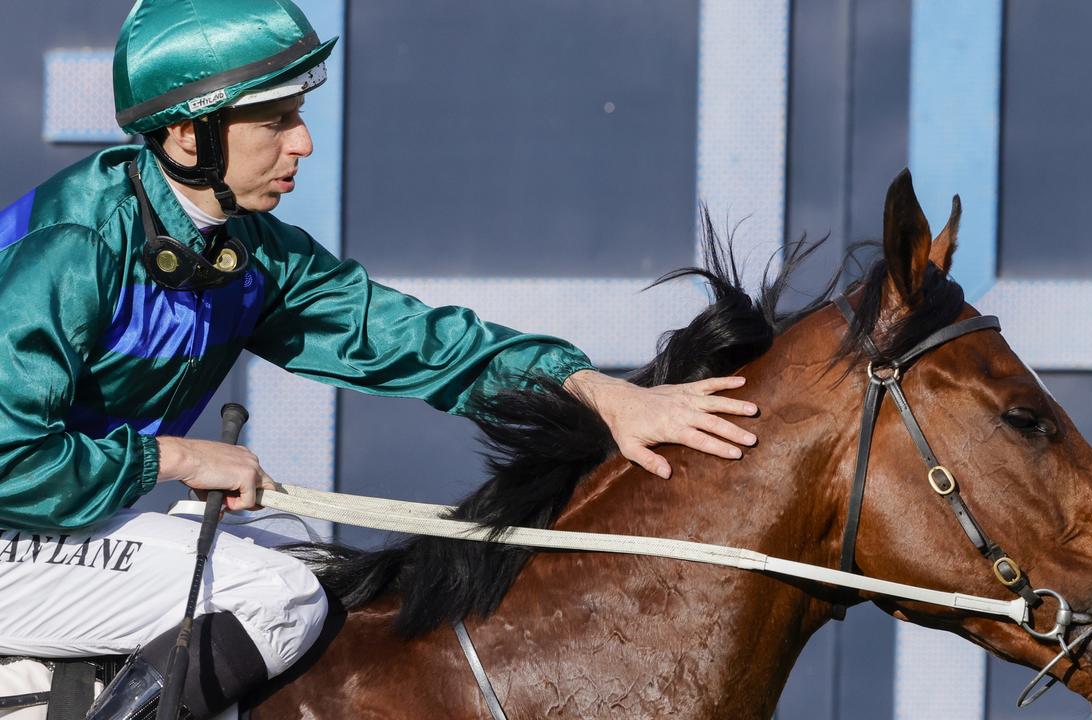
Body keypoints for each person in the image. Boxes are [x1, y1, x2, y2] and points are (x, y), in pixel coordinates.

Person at [0, 1, 758, 717]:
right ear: (188, 137)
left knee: (319, 591)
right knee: (276, 596)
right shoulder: (73, 245)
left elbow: (418, 342)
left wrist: (591, 389)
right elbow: (11, 461)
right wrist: (176, 458)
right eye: (276, 121)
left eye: (298, 114)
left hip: (61, 520)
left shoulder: (248, 252)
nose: (302, 142)